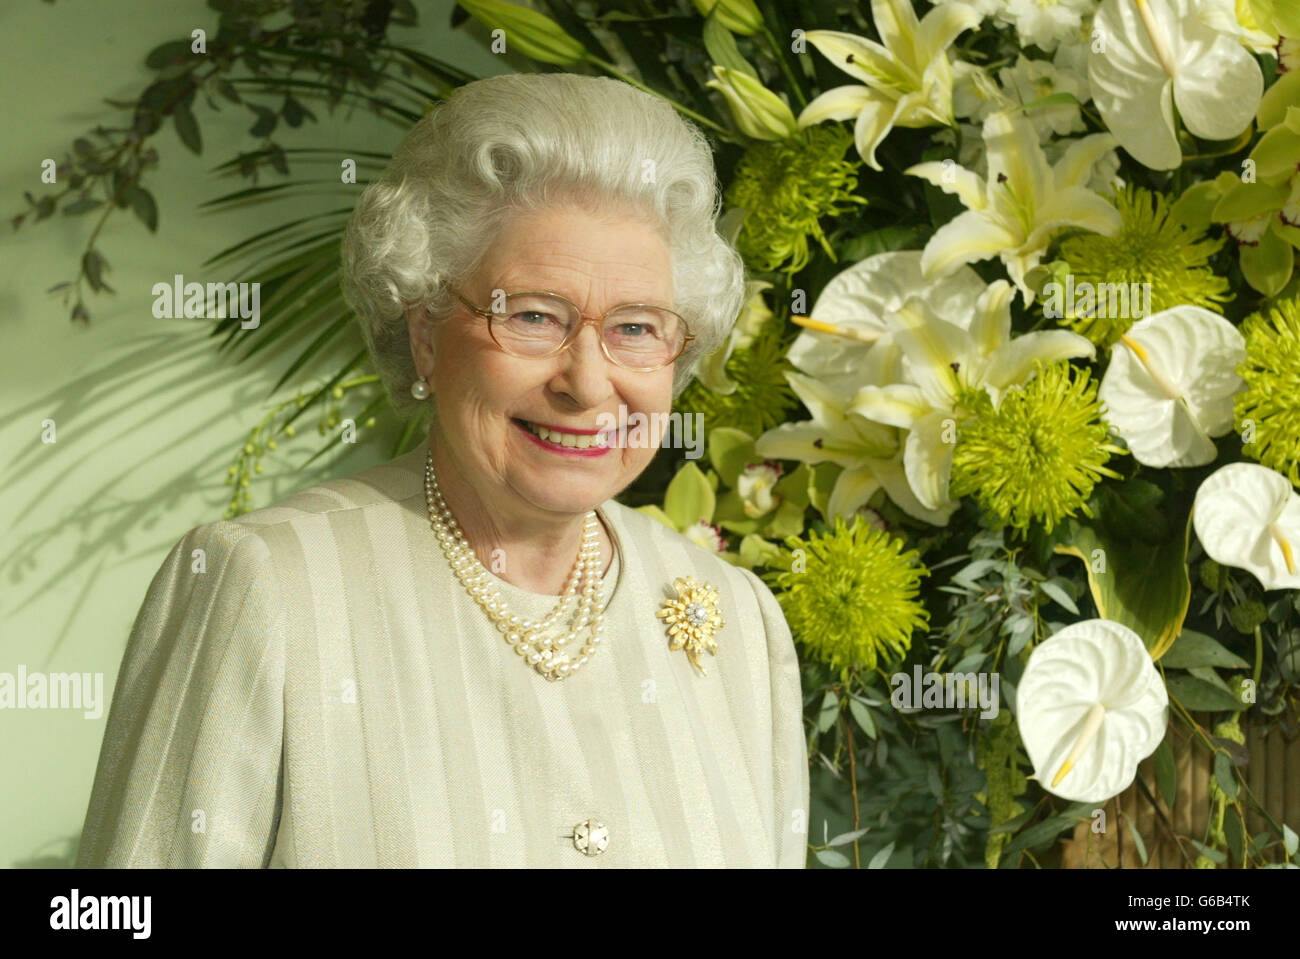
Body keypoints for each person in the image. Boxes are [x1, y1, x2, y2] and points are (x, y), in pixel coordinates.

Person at [75, 72, 810, 868]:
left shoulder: (735, 618)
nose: (588, 382)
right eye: (532, 316)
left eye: (637, 327)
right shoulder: (268, 586)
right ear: (425, 332)